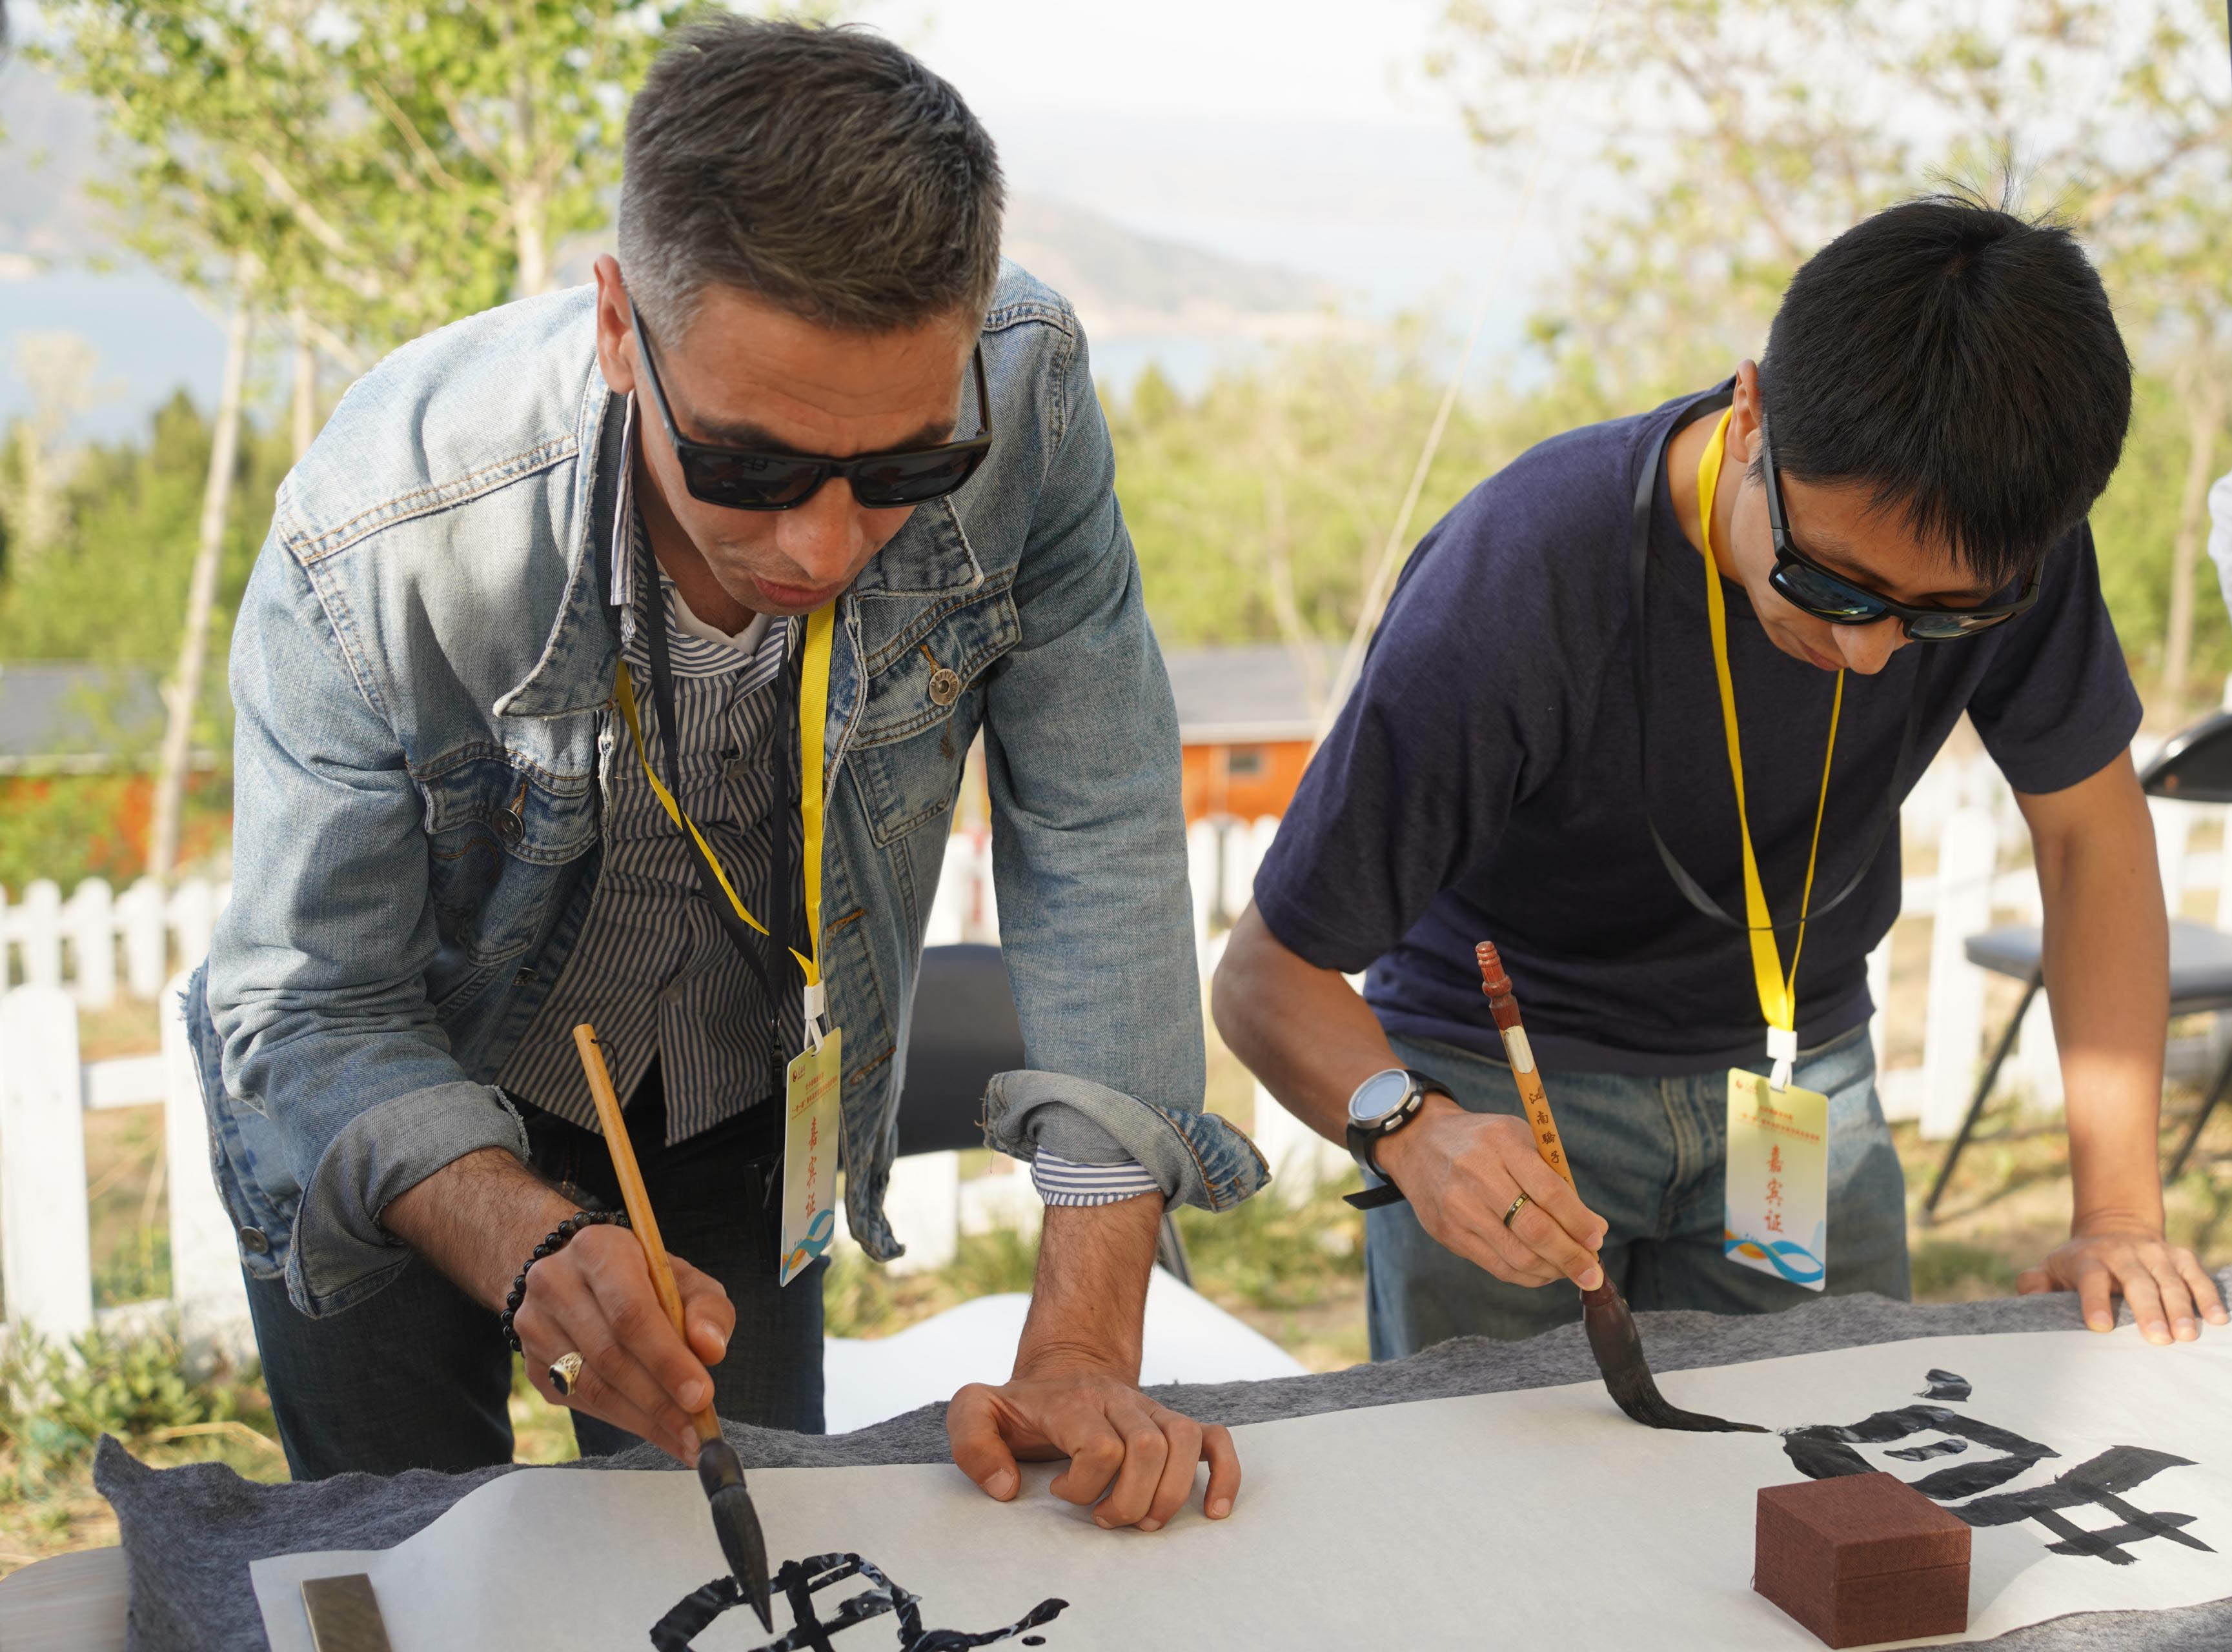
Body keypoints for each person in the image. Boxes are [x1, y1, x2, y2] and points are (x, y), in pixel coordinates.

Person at [188, 18, 1261, 1535]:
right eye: (752, 468)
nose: (822, 548)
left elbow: (1098, 828)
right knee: (415, 1552)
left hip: (742, 1091)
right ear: (619, 327)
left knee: (732, 1548)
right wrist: (531, 1244)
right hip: (405, 1084)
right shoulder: (388, 533)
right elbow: (310, 1000)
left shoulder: (1025, 401)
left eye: (904, 471)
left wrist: (1083, 1341)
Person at [1214, 196, 2227, 1362]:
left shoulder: (2002, 541)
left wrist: (2117, 1217)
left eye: (1942, 618)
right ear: (1752, 416)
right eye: (1828, 583)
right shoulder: (1521, 573)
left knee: (1850, 1443)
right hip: (1501, 1090)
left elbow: (2089, 836)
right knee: (1506, 1464)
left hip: (1801, 1075)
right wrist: (1410, 1128)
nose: (1868, 651)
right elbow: (1263, 975)